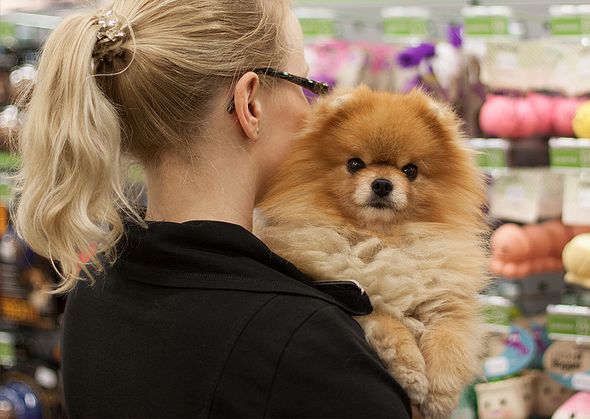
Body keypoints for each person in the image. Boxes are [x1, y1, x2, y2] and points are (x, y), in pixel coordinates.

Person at [13, 1, 413, 417]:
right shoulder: (304, 341)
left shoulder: (94, 293)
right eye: (305, 84)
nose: (312, 109)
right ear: (250, 103)